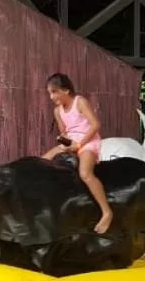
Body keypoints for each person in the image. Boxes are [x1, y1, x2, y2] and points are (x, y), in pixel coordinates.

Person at [41, 73, 115, 234]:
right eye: (49, 93)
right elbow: (64, 131)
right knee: (43, 161)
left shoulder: (80, 102)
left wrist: (79, 144)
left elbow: (95, 125)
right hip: (72, 143)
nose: (51, 97)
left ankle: (107, 212)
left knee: (85, 173)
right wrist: (64, 142)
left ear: (66, 90)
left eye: (54, 92)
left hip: (88, 142)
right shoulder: (57, 111)